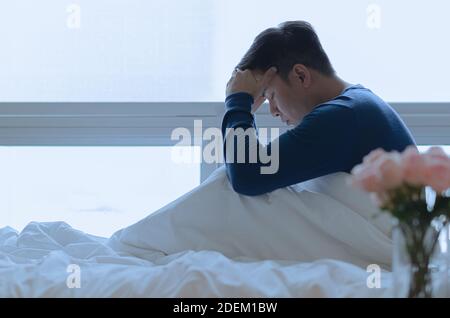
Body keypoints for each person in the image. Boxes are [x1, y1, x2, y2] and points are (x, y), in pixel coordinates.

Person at [223, 20, 416, 196]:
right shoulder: (357, 105)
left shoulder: (342, 116)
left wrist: (239, 102)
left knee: (222, 185)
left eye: (271, 96)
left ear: (300, 75)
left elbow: (247, 177)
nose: (273, 111)